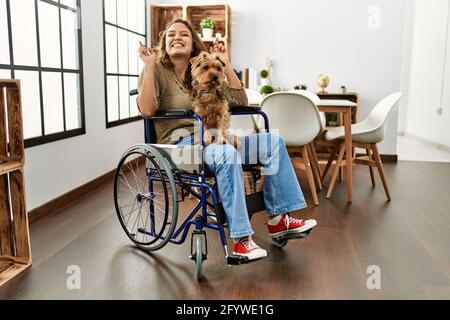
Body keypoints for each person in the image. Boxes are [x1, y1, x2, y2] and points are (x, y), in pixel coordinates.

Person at [137, 19, 317, 261]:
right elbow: (147, 111)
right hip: (179, 145)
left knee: (272, 142)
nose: (177, 37)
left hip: (213, 139)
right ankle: (242, 239)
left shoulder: (205, 68)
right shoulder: (156, 69)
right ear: (164, 41)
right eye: (171, 34)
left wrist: (227, 64)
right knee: (227, 153)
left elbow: (240, 100)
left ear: (193, 44)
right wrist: (148, 66)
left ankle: (278, 220)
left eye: (184, 34)